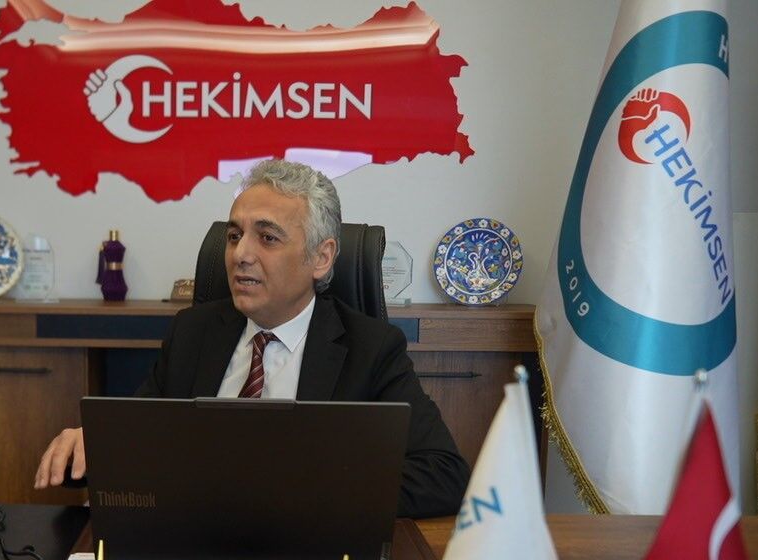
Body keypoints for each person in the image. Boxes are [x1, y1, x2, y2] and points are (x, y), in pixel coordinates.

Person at [35, 159, 469, 518]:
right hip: (195, 550)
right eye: (234, 236)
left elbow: (443, 475)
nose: (240, 254)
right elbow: (140, 442)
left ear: (321, 257)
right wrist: (92, 446)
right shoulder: (193, 333)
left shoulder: (370, 348)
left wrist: (292, 489)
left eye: (267, 237)